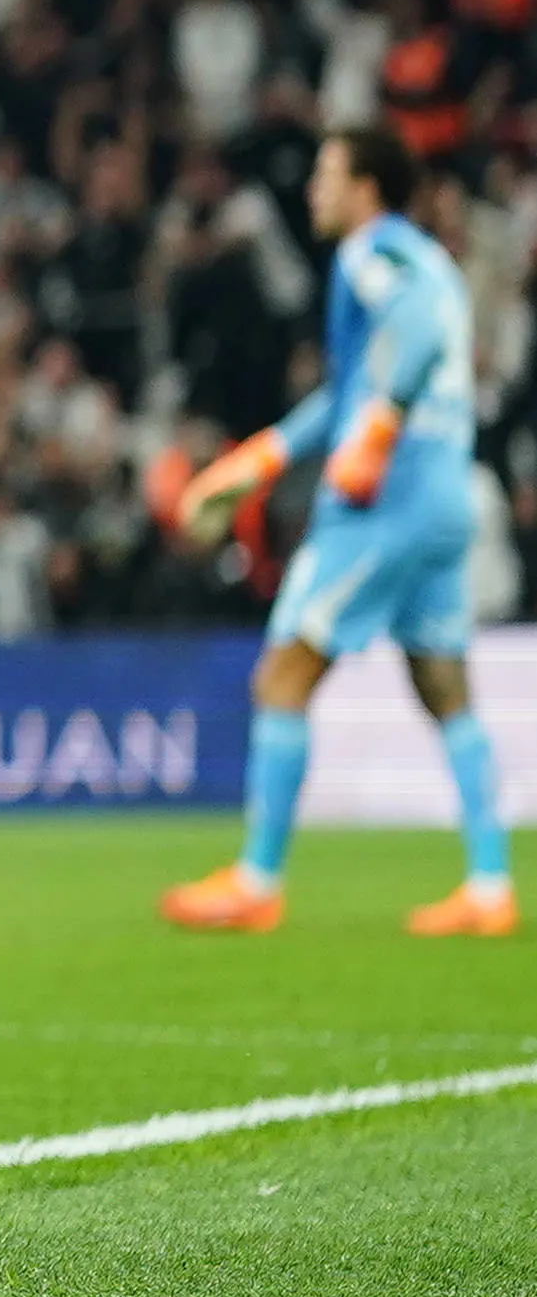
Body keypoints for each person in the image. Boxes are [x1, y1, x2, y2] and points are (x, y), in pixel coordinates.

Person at [159, 125, 512, 938]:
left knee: (281, 677)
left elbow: (412, 339)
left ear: (364, 189)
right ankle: (488, 887)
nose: (312, 190)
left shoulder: (370, 253)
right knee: (443, 691)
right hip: (443, 499)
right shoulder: (426, 257)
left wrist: (381, 426)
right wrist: (256, 461)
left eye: (325, 175)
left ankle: (255, 881)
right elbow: (348, 392)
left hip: (383, 504)